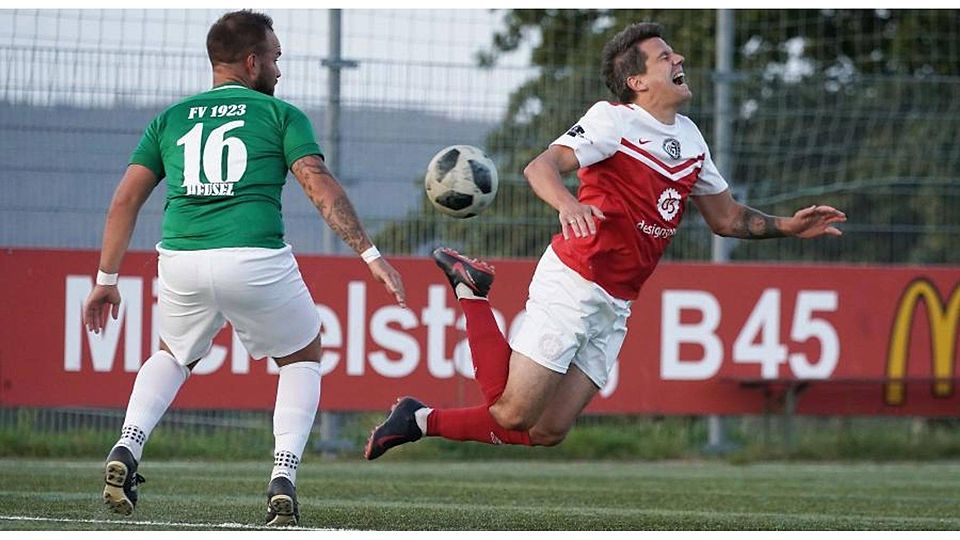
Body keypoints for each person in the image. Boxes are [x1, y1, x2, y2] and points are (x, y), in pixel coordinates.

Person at [364, 22, 845, 459]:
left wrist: (788, 226)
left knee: (548, 430)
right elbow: (541, 166)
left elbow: (727, 218)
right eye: (665, 57)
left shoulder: (692, 139)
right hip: (575, 281)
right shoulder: (613, 120)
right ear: (637, 82)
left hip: (617, 302)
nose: (678, 61)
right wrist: (568, 205)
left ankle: (419, 419)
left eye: (674, 54)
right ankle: (471, 292)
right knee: (511, 414)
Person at [82, 10, 406, 526]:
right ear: (252, 62)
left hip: (182, 260)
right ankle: (283, 476)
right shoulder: (281, 116)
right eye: (275, 58)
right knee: (302, 356)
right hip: (255, 259)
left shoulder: (169, 119)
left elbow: (124, 201)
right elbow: (317, 183)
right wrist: (370, 254)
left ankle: (126, 447)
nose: (279, 70)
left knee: (171, 356)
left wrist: (106, 282)